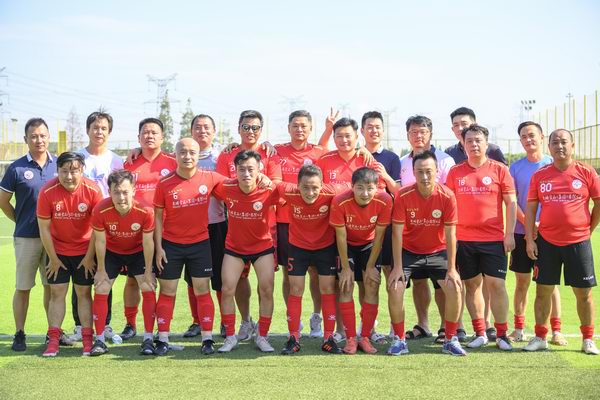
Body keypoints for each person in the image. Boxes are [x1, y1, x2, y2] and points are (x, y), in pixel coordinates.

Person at [523, 129, 600, 355]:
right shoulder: (540, 175)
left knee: (583, 293)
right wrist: (530, 240)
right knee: (543, 291)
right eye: (555, 142)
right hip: (547, 241)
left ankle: (588, 339)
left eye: (564, 142)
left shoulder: (586, 172)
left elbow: (598, 204)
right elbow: (530, 209)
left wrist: (588, 229)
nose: (559, 146)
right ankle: (540, 337)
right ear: (549, 147)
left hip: (579, 242)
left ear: (572, 145)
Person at [445, 124, 516, 351]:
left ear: (486, 143)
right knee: (472, 285)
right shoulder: (455, 172)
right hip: (464, 239)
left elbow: (511, 203)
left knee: (497, 285)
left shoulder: (499, 170)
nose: (474, 144)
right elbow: (448, 206)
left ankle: (502, 334)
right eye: (469, 141)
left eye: (478, 140)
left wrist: (509, 234)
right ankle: (480, 332)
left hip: (494, 239)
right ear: (463, 144)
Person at [388, 150, 466, 356]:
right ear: (413, 172)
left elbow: (451, 234)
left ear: (437, 171)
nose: (424, 176)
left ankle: (450, 338)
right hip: (409, 251)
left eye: (429, 171)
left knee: (454, 287)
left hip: (437, 251)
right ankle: (399, 340)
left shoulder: (447, 196)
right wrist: (397, 267)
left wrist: (452, 269)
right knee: (395, 287)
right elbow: (396, 233)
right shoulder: (403, 195)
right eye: (420, 172)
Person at [152, 138, 225, 356]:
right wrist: (159, 247)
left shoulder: (210, 177)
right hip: (171, 245)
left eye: (192, 152)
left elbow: (237, 184)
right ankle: (163, 338)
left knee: (202, 290)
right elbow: (157, 217)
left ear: (198, 155)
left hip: (200, 244)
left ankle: (207, 338)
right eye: (182, 152)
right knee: (167, 291)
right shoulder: (164, 183)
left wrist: (261, 178)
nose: (187, 156)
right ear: (175, 155)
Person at [216, 110, 282, 342]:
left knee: (266, 284)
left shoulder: (270, 153)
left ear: (261, 130)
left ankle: (263, 332)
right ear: (238, 128)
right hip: (236, 226)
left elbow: (277, 184)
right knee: (237, 279)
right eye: (246, 127)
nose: (250, 131)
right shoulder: (228, 153)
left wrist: (267, 179)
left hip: (266, 228)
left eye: (255, 127)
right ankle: (245, 321)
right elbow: (221, 184)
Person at [0, 118, 65, 351]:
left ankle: (53, 333)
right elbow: (3, 201)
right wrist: (19, 220)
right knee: (23, 286)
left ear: (49, 138)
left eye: (42, 135)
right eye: (34, 136)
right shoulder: (16, 168)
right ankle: (19, 333)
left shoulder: (59, 165)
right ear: (26, 139)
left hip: (54, 239)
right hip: (26, 237)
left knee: (52, 287)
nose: (39, 140)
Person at [316, 117, 381, 342]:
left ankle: (369, 329)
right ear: (333, 138)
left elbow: (378, 192)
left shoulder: (366, 159)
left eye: (348, 136)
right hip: (335, 232)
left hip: (366, 234)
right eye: (339, 136)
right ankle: (343, 330)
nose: (344, 140)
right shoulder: (324, 161)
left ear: (357, 137)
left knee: (367, 282)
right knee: (341, 282)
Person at [274, 109, 334, 339]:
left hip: (315, 221)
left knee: (316, 273)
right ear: (288, 128)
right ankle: (294, 320)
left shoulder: (320, 151)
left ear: (310, 129)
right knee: (289, 276)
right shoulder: (276, 150)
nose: (299, 130)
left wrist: (362, 150)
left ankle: (316, 317)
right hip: (285, 221)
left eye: (304, 126)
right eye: (295, 126)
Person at [37, 152, 103, 356]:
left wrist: (89, 257)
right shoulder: (47, 191)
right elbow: (44, 228)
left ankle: (87, 339)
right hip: (57, 252)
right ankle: (53, 340)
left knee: (83, 293)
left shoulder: (93, 190)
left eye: (74, 171)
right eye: (64, 171)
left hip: (85, 252)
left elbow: (97, 229)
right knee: (57, 293)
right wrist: (53, 258)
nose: (68, 176)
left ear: (82, 170)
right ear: (57, 171)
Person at [277, 164, 347, 354]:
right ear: (297, 185)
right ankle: (293, 338)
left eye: (315, 187)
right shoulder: (288, 191)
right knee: (295, 289)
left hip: (325, 248)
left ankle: (329, 339)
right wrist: (261, 178)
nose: (310, 192)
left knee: (327, 289)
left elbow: (355, 186)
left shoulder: (332, 191)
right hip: (298, 248)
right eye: (305, 187)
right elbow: (272, 184)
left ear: (322, 185)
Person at [398, 115, 456, 344]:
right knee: (419, 282)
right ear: (407, 135)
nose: (418, 136)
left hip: (437, 238)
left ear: (430, 134)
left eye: (422, 131)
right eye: (413, 132)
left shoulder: (444, 160)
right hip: (412, 237)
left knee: (442, 284)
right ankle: (423, 325)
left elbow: (448, 197)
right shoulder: (403, 162)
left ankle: (446, 328)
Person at [89, 169, 157, 356]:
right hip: (112, 252)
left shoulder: (145, 210)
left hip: (137, 252)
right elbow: (100, 241)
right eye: (116, 192)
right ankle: (100, 340)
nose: (121, 197)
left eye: (125, 192)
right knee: (101, 287)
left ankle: (148, 338)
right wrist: (100, 270)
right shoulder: (100, 209)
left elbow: (148, 242)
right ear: (109, 192)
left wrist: (149, 271)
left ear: (133, 190)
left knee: (148, 286)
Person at [508, 121, 564, 344]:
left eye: (532, 135)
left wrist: (543, 224)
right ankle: (519, 328)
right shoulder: (515, 168)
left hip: (549, 234)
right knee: (522, 282)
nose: (528, 139)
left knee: (550, 284)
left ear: (542, 137)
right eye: (523, 136)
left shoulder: (554, 163)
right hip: (522, 232)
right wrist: (529, 224)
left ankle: (556, 330)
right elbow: (512, 202)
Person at [121, 118, 176, 340]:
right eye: (145, 132)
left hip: (166, 231)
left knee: (165, 281)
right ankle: (130, 323)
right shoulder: (130, 164)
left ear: (162, 137)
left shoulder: (173, 162)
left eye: (154, 132)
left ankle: (161, 326)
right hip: (135, 232)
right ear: (138, 137)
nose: (149, 136)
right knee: (133, 279)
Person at [71, 110, 123, 341]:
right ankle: (79, 326)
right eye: (95, 128)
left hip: (107, 227)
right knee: (81, 278)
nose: (99, 132)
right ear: (87, 130)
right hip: (81, 228)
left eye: (103, 128)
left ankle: (105, 324)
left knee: (104, 276)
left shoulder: (117, 161)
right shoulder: (77, 158)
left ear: (109, 132)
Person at [330, 167, 392, 354]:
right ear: (352, 186)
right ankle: (350, 339)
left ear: (377, 187)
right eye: (360, 188)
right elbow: (341, 237)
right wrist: (346, 268)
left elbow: (379, 236)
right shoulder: (340, 201)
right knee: (345, 285)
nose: (365, 193)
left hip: (369, 245)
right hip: (347, 246)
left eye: (370, 188)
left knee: (372, 284)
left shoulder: (385, 200)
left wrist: (371, 266)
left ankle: (365, 337)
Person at [360, 111, 400, 343]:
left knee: (391, 276)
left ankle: (396, 326)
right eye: (369, 127)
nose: (373, 130)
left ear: (383, 130)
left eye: (377, 127)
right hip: (362, 228)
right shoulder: (356, 155)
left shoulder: (392, 158)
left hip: (387, 225)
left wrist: (383, 174)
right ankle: (369, 328)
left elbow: (398, 192)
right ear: (362, 130)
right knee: (367, 280)